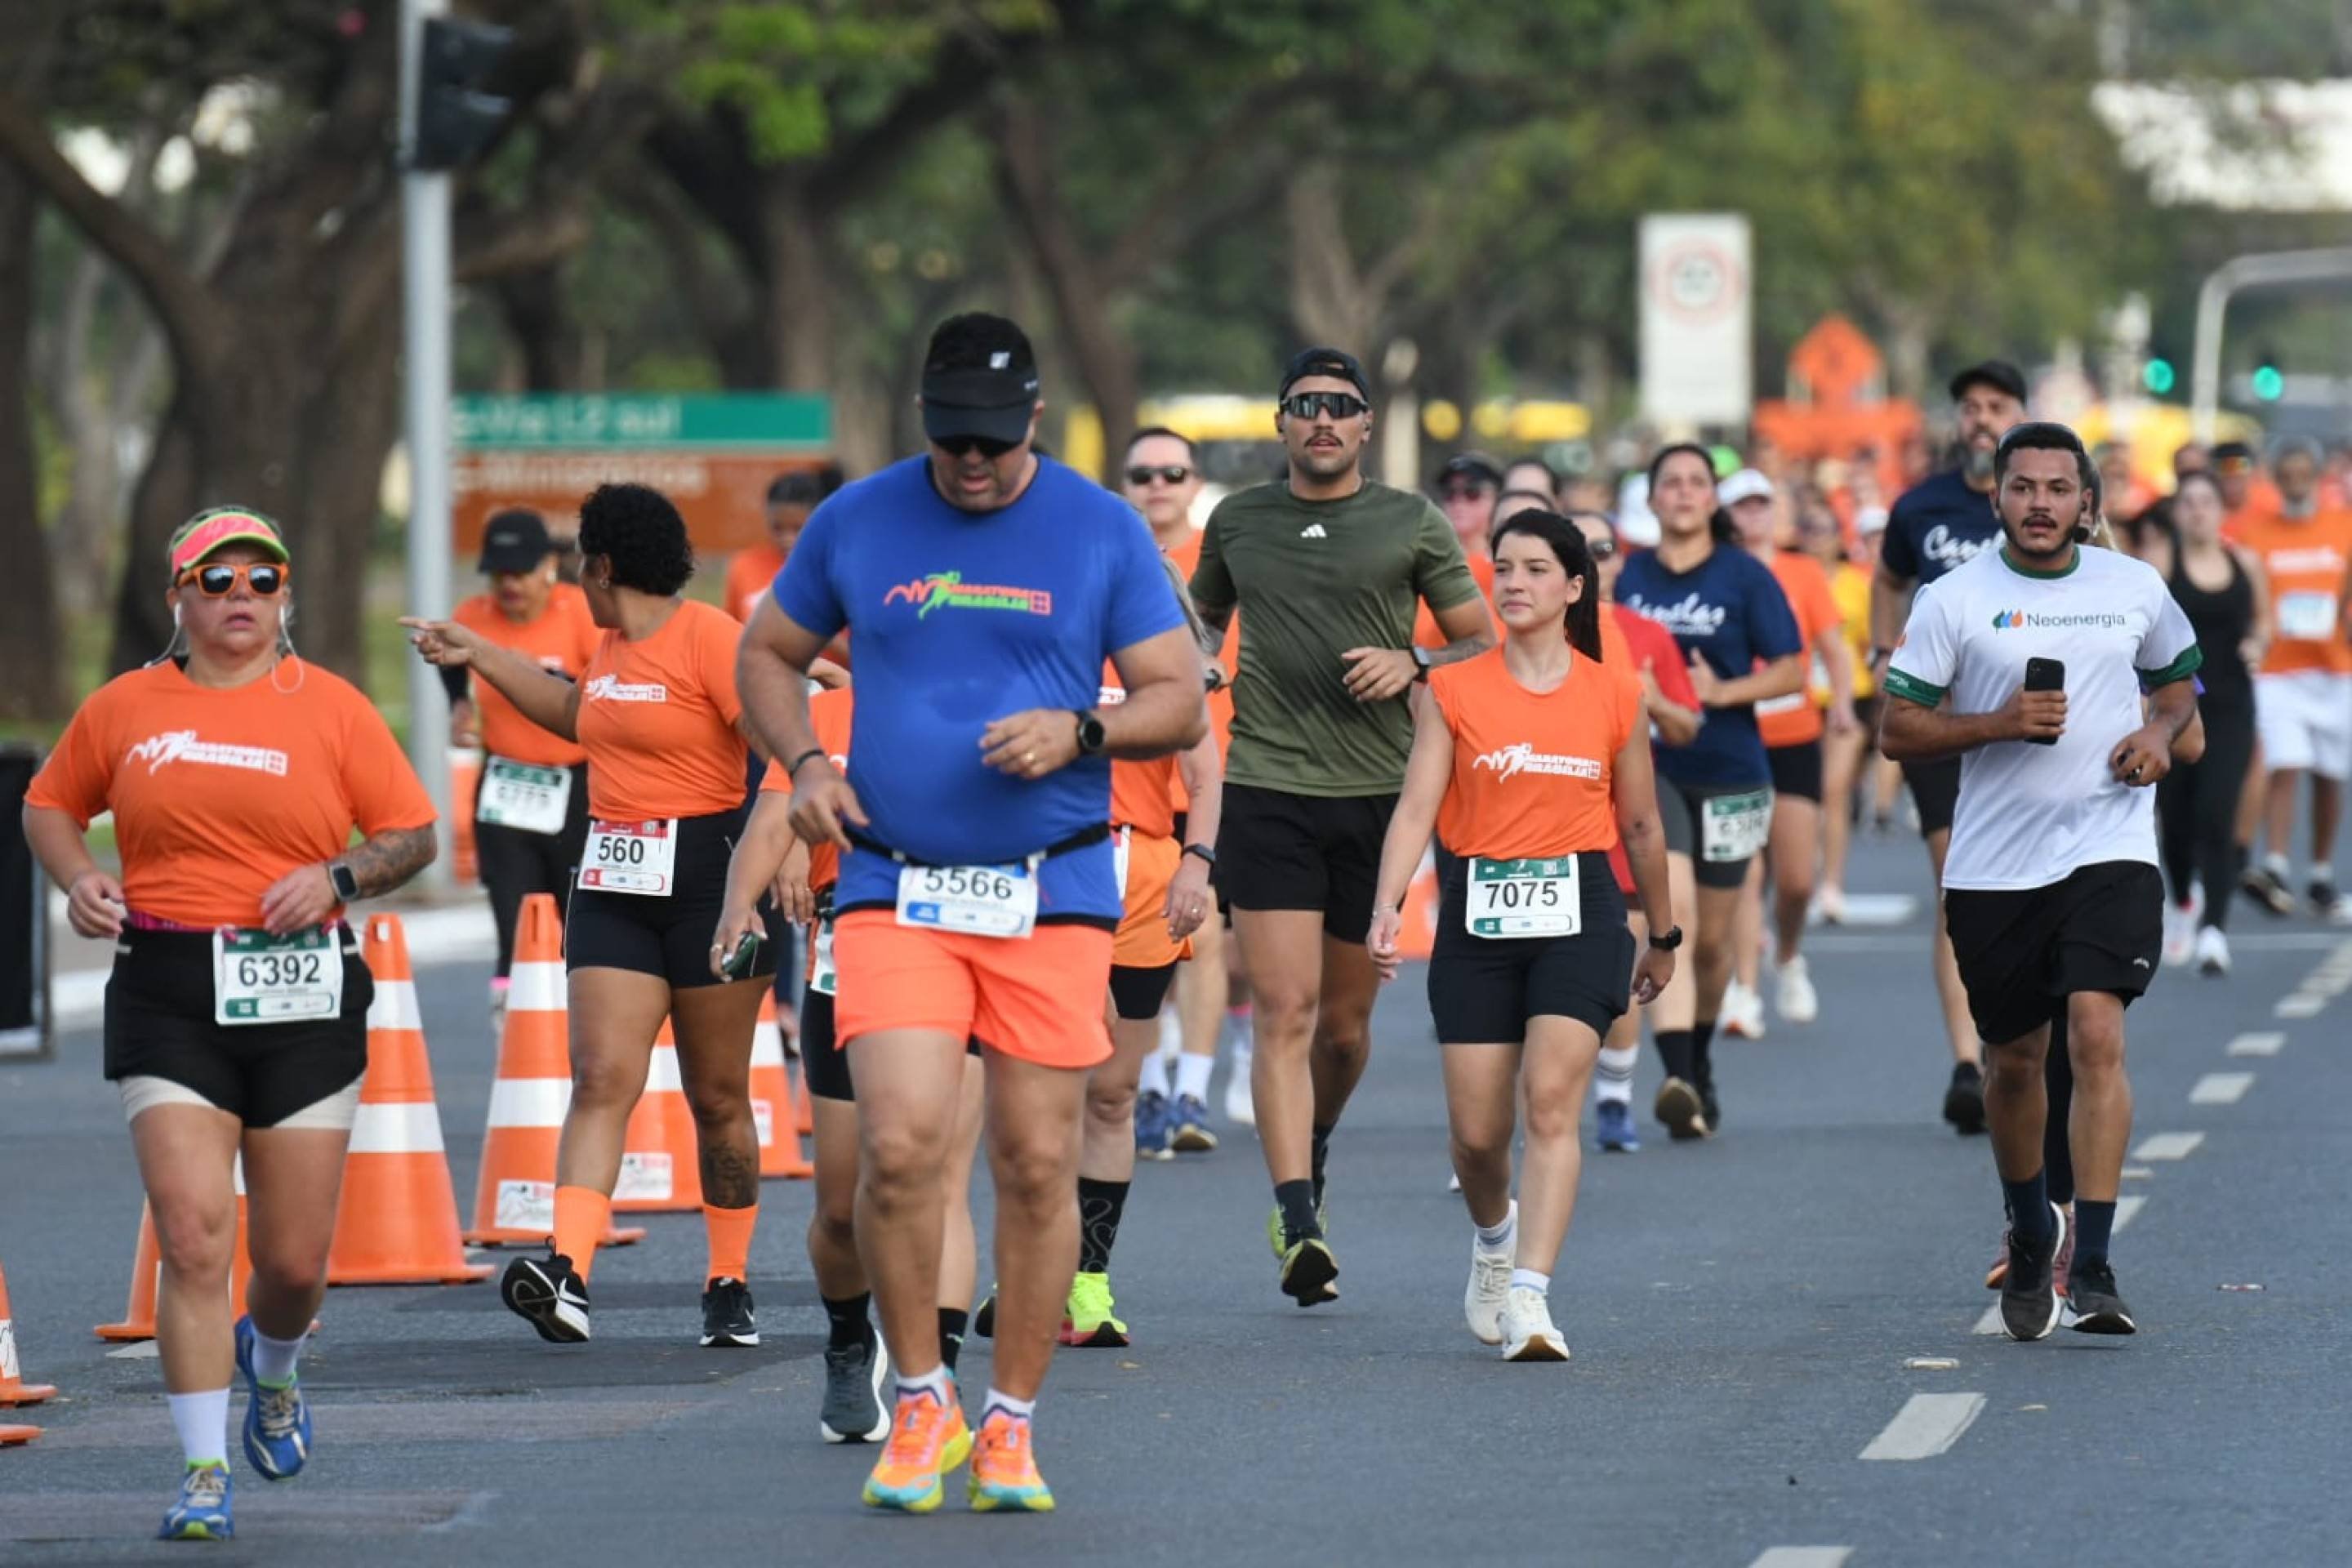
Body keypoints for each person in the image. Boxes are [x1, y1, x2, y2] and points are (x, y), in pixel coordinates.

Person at [735, 313, 1205, 1514]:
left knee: (1036, 1161)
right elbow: (766, 655)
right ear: (925, 423)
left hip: (1052, 886)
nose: (974, 463)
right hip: (896, 881)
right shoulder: (860, 519)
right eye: (954, 441)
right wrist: (806, 768)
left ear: (1035, 421)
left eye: (995, 441)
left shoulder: (1100, 527)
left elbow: (1179, 699)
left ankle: (1010, 1421)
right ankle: (922, 1397)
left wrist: (1082, 729)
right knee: (897, 1148)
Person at [23, 508, 439, 1540]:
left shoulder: (332, 707)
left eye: (261, 579)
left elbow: (414, 833)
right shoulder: (125, 706)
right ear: (179, 600)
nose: (240, 596)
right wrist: (80, 880)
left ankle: (278, 1366)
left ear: (285, 597)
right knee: (194, 1235)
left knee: (292, 1265)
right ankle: (204, 1469)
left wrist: (337, 875)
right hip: (167, 985)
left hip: (300, 990)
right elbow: (47, 805)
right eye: (216, 581)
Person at [404, 482, 777, 1352]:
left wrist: (769, 872)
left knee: (718, 1096)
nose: (576, 572)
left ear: (604, 565)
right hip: (612, 875)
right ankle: (568, 1273)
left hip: (710, 877)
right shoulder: (605, 646)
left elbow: (782, 753)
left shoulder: (710, 640)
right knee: (603, 1075)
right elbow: (577, 716)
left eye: (582, 558)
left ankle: (729, 1279)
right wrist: (481, 654)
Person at [1881, 421, 2202, 1341]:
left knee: (2096, 1033)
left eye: (2059, 490)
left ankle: (2094, 1263)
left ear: (2086, 503)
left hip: (2108, 843)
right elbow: (1898, 728)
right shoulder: (1956, 599)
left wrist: (2154, 735)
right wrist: (1998, 723)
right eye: (2023, 488)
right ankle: (2030, 1227)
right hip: (1996, 865)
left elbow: (2179, 686)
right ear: (1998, 498)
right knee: (2016, 1063)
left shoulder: (2133, 587)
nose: (2040, 505)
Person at [1189, 345, 1492, 1305]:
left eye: (1341, 406)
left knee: (1347, 1032)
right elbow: (1202, 625)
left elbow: (1480, 637)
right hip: (1267, 786)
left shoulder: (1411, 521)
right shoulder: (1238, 521)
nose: (1322, 418)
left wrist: (1416, 663)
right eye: (1304, 404)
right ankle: (1296, 1216)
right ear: (1280, 424)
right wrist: (1182, 670)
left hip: (1378, 797)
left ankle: (1309, 1147)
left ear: (1366, 426)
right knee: (1284, 1009)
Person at [1369, 510, 1677, 1360]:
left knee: (1550, 1102)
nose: (1513, 583)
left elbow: (1643, 826)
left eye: (1536, 569)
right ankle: (1496, 1241)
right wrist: (1388, 902)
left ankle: (1533, 1299)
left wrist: (1666, 934)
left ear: (1574, 587)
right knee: (1476, 1136)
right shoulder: (1454, 690)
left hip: (1581, 909)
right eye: (1502, 568)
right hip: (1478, 910)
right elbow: (1418, 806)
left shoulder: (1614, 692)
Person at [716, 680, 991, 1446]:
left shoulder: (985, 700)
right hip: (851, 954)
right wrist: (740, 903)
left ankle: (938, 1383)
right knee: (843, 1207)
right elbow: (773, 816)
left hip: (960, 941)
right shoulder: (825, 714)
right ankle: (848, 1341)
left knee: (938, 1180)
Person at [1615, 445, 1803, 1138]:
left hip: (1731, 769)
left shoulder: (1745, 577)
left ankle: (1696, 1063)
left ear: (1713, 500)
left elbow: (1791, 670)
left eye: (1698, 483)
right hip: (1649, 770)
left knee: (1717, 943)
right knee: (1677, 909)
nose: (1685, 494)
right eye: (1672, 483)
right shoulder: (1628, 577)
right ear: (1654, 499)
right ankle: (1677, 1075)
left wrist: (1724, 690)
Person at [1067, 563, 1225, 1342]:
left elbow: (1203, 769)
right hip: (1050, 873)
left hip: (1143, 880)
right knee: (1042, 1089)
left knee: (1112, 1092)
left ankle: (1088, 1280)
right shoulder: (1047, 640)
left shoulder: (1168, 665)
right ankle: (1032, 1257)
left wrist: (1199, 862)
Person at [1871, 360, 2029, 1134]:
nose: (1980, 420)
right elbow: (1887, 579)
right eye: (1969, 407)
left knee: (2030, 885)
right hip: (1941, 724)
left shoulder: (2041, 506)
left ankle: (2020, 1043)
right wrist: (1879, 652)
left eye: (1996, 406)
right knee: (1956, 885)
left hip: (2032, 724)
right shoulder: (1920, 505)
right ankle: (1970, 1059)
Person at [1119, 430, 1241, 1153]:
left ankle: (1191, 1089)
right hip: (1122, 786)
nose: (1158, 484)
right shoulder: (1106, 564)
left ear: (1195, 485)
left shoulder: (1220, 568)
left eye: (1173, 472)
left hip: (1204, 777)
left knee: (1203, 933)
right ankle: (1147, 1086)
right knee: (1135, 949)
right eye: (1144, 474)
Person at [1571, 512, 1700, 1153]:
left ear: (1620, 559)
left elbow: (1685, 729)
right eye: (1577, 548)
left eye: (1603, 548)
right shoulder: (1529, 632)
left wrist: (1653, 699)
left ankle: (1616, 1095)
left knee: (1619, 950)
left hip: (1624, 802)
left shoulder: (1646, 634)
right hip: (1548, 803)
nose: (1593, 560)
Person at [445, 509, 600, 1004]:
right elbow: (451, 659)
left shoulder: (579, 612)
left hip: (575, 783)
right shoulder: (473, 617)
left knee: (575, 909)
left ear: (549, 566)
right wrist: (459, 704)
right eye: (499, 573)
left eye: (520, 572)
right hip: (506, 781)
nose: (509, 585)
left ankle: (582, 1003)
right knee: (511, 906)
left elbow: (605, 688)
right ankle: (512, 1008)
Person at [1721, 469, 1855, 1029]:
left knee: (1796, 880)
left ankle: (1789, 955)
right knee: (1746, 874)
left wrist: (1843, 703)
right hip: (1733, 737)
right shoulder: (1716, 574)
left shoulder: (1801, 572)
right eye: (1742, 507)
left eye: (1761, 505)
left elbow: (1833, 646)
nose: (1752, 516)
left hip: (1795, 736)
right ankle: (1744, 992)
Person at [2139, 471, 2268, 973]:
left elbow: (2262, 620)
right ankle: (2184, 902)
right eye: (2188, 502)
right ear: (2177, 512)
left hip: (2232, 703)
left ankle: (2214, 929)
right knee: (2175, 817)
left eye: (2206, 501)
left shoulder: (2245, 563)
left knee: (2218, 813)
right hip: (2175, 707)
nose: (2197, 511)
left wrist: (2257, 644)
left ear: (2220, 510)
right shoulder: (2159, 564)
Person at [2232, 438, 2352, 921]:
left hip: (2335, 668)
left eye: (2306, 473)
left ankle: (2321, 874)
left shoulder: (2343, 528)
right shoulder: (2254, 532)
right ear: (2277, 478)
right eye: (2289, 473)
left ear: (2318, 478)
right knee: (2285, 760)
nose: (2297, 481)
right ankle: (2276, 864)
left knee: (2329, 773)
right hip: (2278, 670)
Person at [1812, 497, 1883, 922]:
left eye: (1823, 528)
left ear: (1838, 538)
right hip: (1796, 700)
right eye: (1808, 527)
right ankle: (1800, 876)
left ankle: (1831, 885)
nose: (1815, 536)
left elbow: (1873, 641)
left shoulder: (1857, 583)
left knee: (1833, 790)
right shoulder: (1789, 579)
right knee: (1804, 797)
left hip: (1849, 697)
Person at [725, 467, 843, 624]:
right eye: (777, 528)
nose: (786, 538)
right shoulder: (744, 565)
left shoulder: (838, 569)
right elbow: (731, 631)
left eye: (798, 528)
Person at [1415, 452, 1505, 648]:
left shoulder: (1505, 568)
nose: (1459, 502)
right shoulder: (1423, 564)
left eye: (1472, 493)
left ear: (1499, 500)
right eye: (1449, 494)